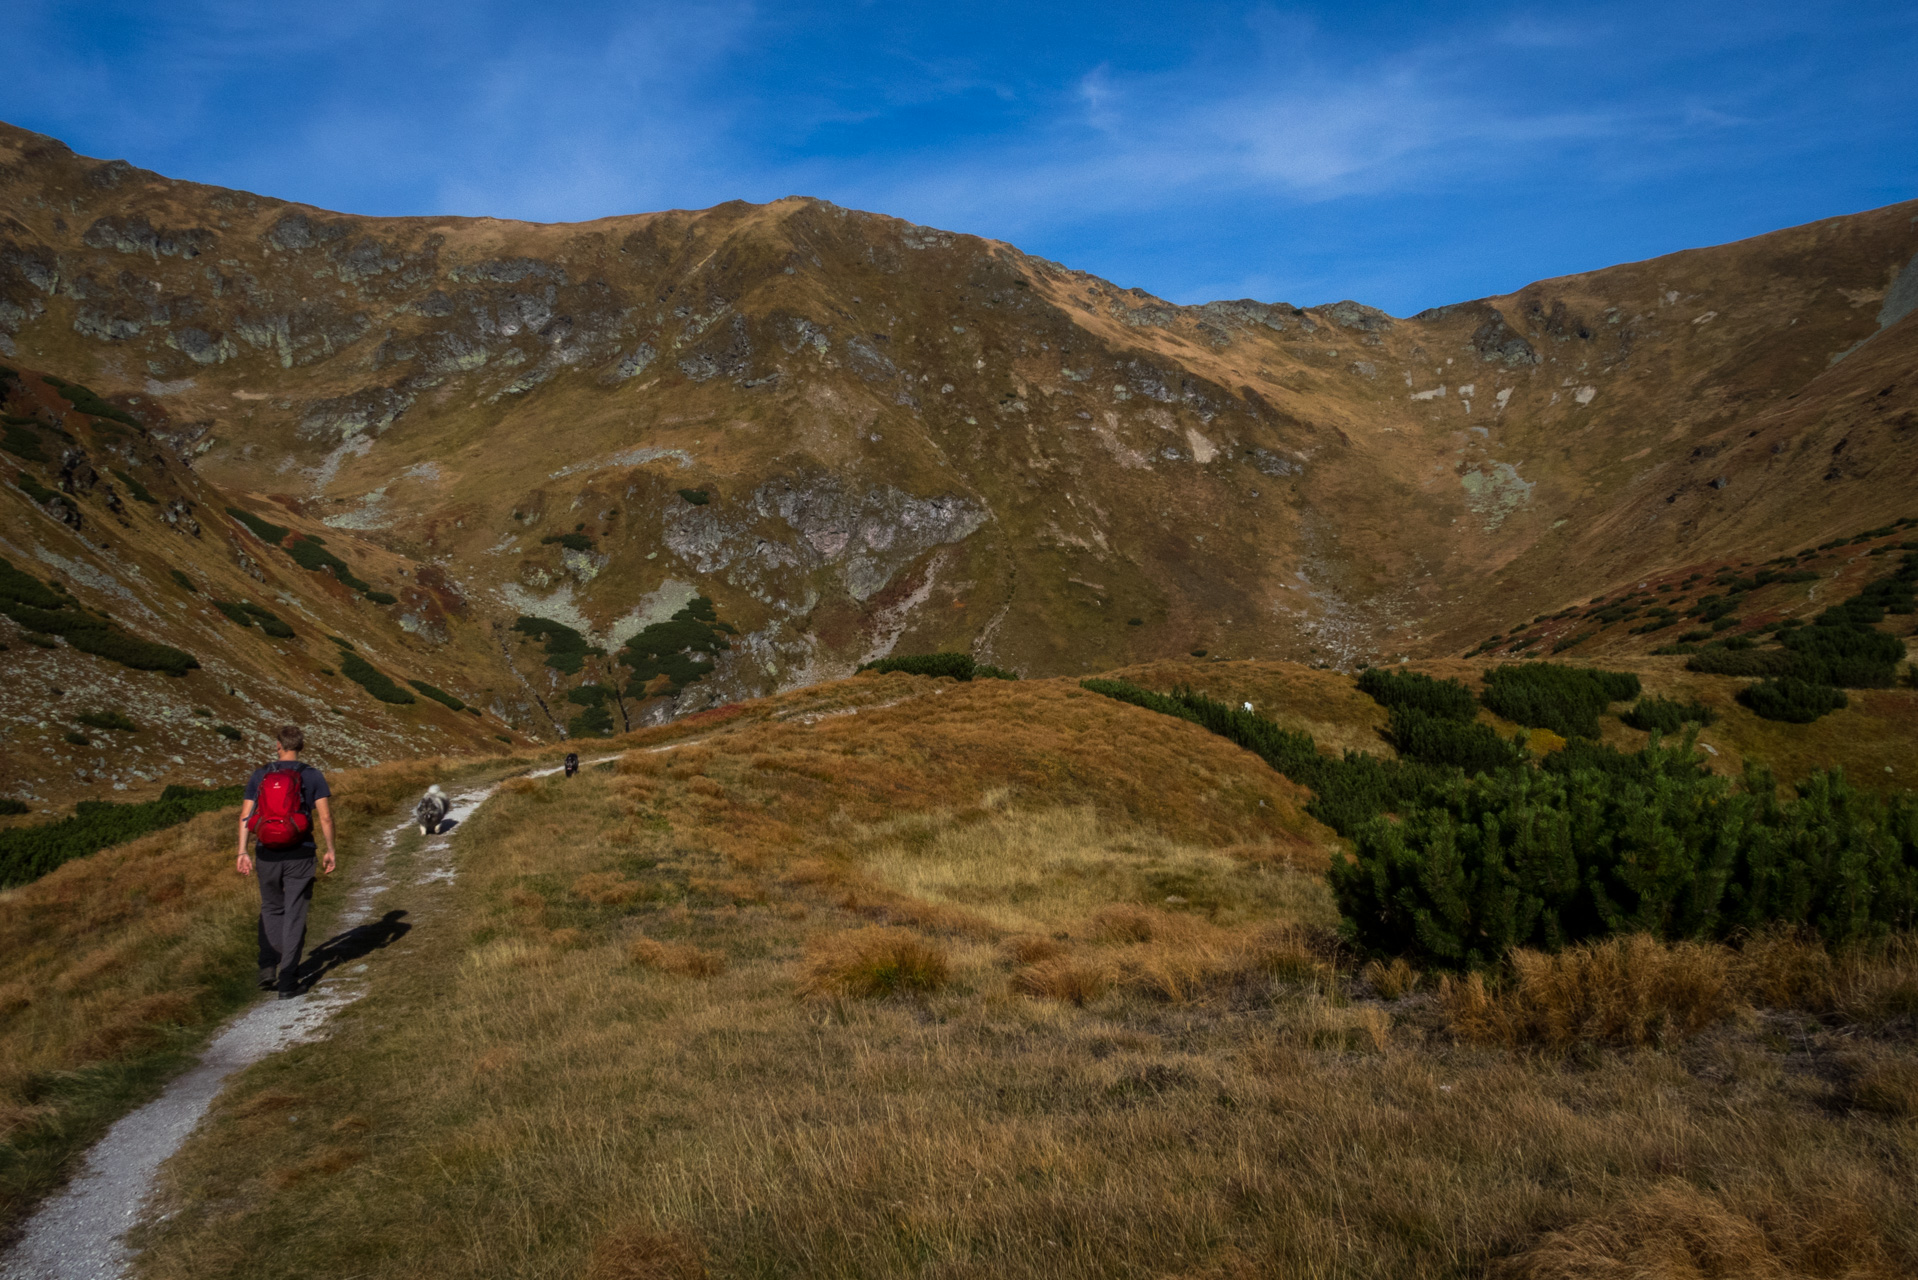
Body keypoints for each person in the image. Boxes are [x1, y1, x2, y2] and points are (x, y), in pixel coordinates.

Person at [235, 725, 336, 999]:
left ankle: (269, 966)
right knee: (295, 914)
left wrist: (242, 852)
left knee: (271, 907)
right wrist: (330, 849)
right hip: (300, 852)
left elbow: (246, 816)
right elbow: (325, 817)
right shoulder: (312, 775)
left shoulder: (261, 775)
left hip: (266, 852)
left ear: (278, 746)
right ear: (301, 746)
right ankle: (289, 980)